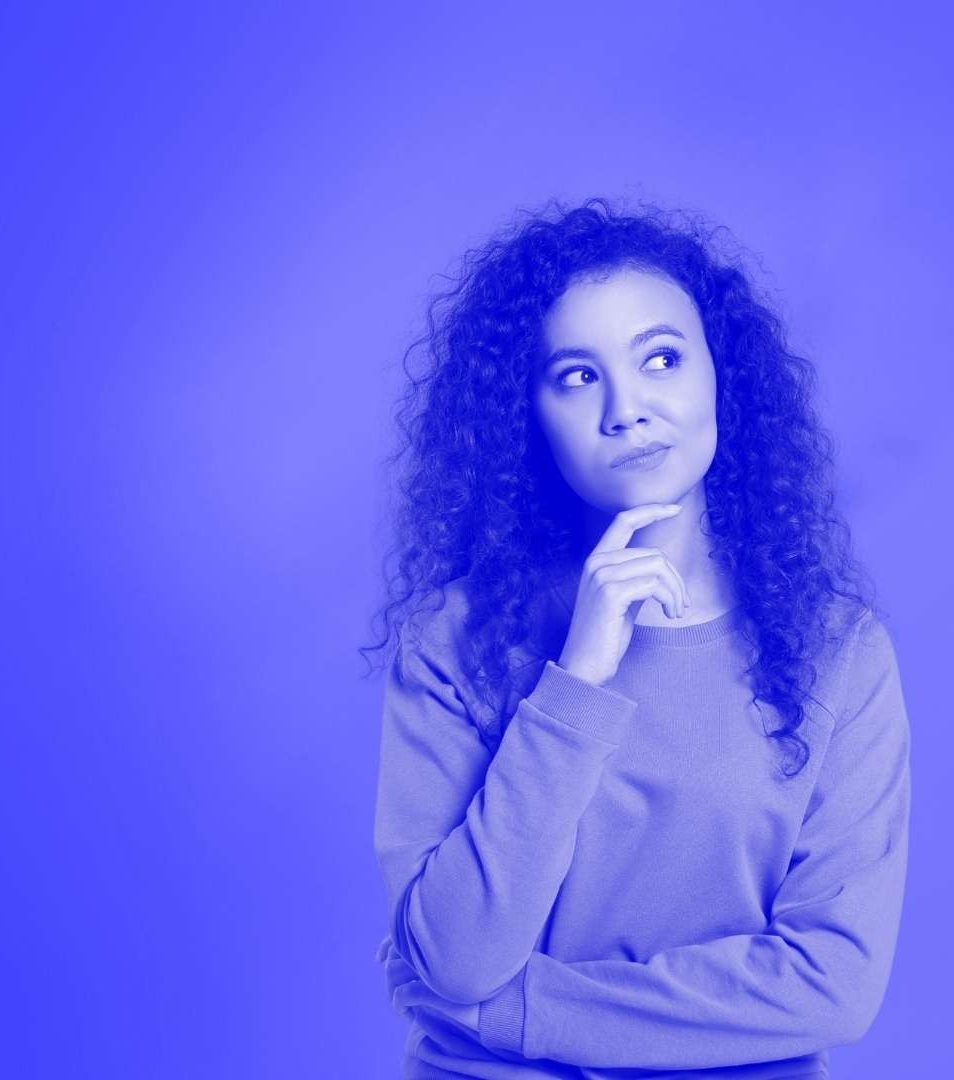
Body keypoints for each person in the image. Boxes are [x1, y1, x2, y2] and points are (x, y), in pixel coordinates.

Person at [363, 197, 910, 1079]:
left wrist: (514, 1010)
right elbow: (460, 954)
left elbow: (833, 982)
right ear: (526, 415)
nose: (629, 410)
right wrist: (578, 678)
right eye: (577, 376)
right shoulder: (455, 641)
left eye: (660, 359)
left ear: (719, 376)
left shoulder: (837, 651)